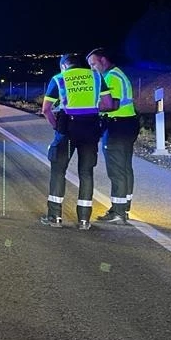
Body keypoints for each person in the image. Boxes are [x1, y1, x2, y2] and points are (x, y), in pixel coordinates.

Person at [40, 53, 116, 230]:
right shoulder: (96, 76)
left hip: (67, 130)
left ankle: (55, 217)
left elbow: (46, 109)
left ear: (64, 66)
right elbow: (108, 103)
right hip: (90, 130)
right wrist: (90, 109)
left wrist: (55, 126)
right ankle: (84, 220)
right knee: (86, 172)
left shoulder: (59, 78)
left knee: (58, 171)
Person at [87, 47, 139, 224]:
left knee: (116, 170)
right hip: (128, 123)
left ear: (103, 60)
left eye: (93, 64)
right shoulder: (119, 74)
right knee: (125, 167)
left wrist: (91, 107)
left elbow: (112, 105)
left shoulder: (111, 78)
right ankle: (124, 207)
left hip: (117, 125)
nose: (92, 68)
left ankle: (118, 212)